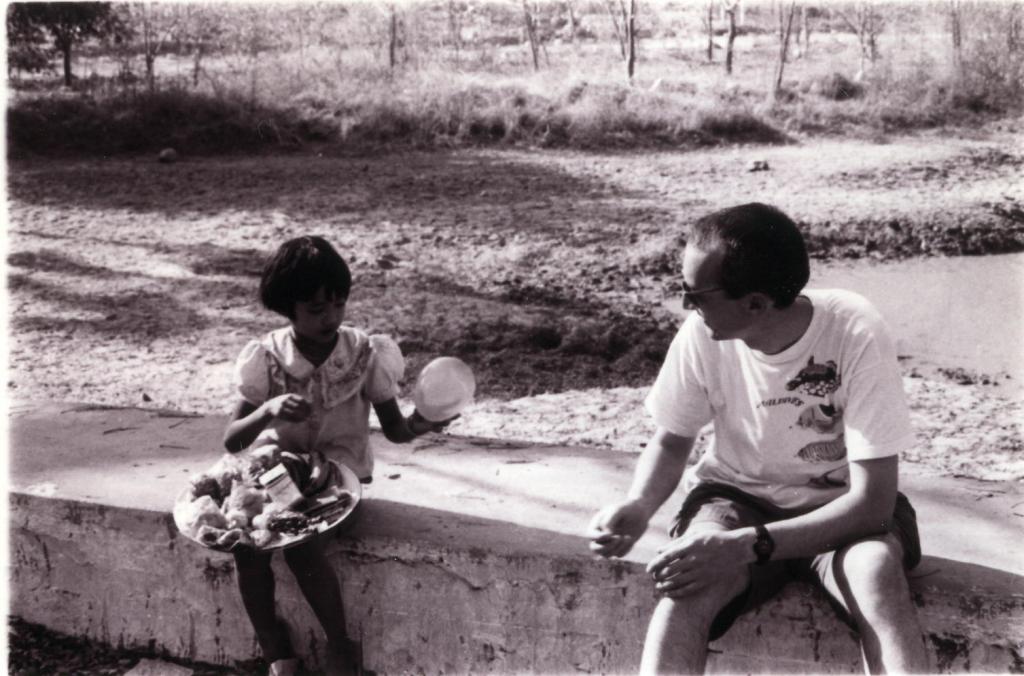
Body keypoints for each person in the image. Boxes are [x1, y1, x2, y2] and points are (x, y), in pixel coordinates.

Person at [588, 203, 929, 674]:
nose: (685, 306)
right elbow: (671, 440)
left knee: (876, 574)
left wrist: (745, 546)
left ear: (755, 303)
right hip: (736, 498)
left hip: (839, 508)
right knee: (687, 585)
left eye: (695, 294)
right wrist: (640, 505)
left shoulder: (853, 329)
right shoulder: (702, 334)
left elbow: (872, 504)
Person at [223, 235, 452, 676]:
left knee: (302, 549)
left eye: (338, 304)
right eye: (316, 309)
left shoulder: (364, 354)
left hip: (340, 486)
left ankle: (340, 647)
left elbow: (395, 430)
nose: (330, 317)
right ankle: (274, 648)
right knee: (247, 548)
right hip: (279, 480)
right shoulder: (267, 358)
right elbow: (233, 440)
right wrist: (268, 410)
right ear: (288, 308)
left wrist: (424, 422)